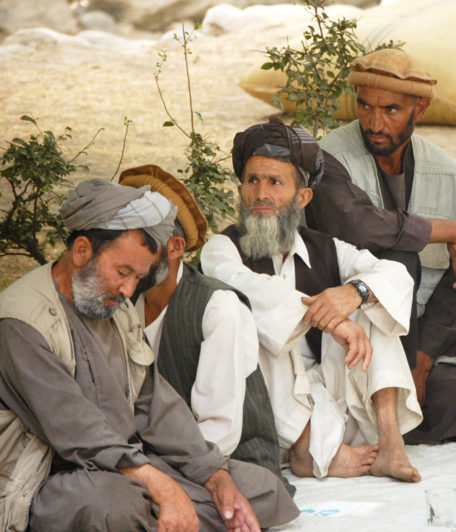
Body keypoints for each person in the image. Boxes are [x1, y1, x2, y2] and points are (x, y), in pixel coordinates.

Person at [0, 179, 298, 531]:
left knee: (260, 488)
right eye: (122, 272)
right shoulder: (21, 322)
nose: (128, 290)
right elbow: (77, 431)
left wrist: (214, 476)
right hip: (53, 476)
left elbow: (154, 403)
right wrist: (162, 487)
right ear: (81, 251)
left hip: (129, 464)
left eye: (137, 278)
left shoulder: (113, 306)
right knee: (114, 507)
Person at [200, 122, 424, 482]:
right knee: (251, 320)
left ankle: (390, 444)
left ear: (302, 197)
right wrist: (330, 318)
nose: (261, 194)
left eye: (275, 182)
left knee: (374, 301)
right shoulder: (221, 248)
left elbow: (396, 274)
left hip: (330, 397)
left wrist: (355, 293)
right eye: (253, 181)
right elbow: (245, 286)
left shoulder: (326, 248)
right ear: (241, 191)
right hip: (268, 406)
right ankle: (307, 450)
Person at [307, 48, 456, 444]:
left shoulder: (446, 171)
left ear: (420, 108)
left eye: (390, 110)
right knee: (400, 257)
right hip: (348, 336)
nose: (374, 123)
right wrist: (448, 230)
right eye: (365, 107)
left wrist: (421, 362)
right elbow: (360, 226)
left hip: (420, 344)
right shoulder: (329, 158)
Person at [119, 164, 291, 493]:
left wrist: (152, 472)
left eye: (139, 242)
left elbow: (219, 433)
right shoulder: (123, 302)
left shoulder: (218, 308)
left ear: (175, 248)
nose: (124, 253)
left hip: (226, 464)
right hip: (154, 458)